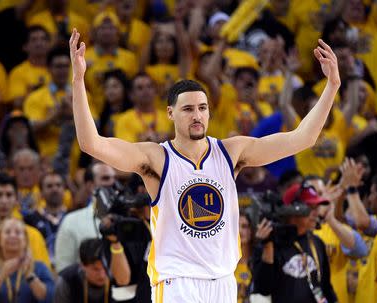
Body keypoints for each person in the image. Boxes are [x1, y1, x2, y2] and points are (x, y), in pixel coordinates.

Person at [69, 27, 341, 302]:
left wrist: (331, 87)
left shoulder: (230, 151)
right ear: (170, 113)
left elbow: (302, 138)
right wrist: (79, 80)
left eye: (203, 107)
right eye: (188, 109)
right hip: (177, 283)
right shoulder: (156, 158)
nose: (197, 115)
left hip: (223, 281)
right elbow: (91, 144)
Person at [252, 182, 337, 303]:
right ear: (291, 209)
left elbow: (326, 287)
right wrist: (267, 246)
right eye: (310, 208)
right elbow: (263, 289)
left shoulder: (317, 242)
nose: (316, 213)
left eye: (316, 208)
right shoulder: (270, 244)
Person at [0, 173, 51, 268]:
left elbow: (45, 277)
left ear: (16, 199)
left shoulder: (33, 235)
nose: (4, 201)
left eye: (9, 195)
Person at [0, 218, 55, 303]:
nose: (13, 235)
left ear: (25, 240)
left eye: (18, 232)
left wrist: (29, 275)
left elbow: (50, 298)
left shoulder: (39, 268)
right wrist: (1, 276)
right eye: (7, 232)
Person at [54, 238, 130, 303]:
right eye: (96, 269)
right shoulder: (67, 281)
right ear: (82, 265)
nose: (102, 275)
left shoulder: (120, 277)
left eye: (106, 268)